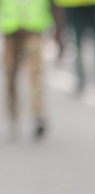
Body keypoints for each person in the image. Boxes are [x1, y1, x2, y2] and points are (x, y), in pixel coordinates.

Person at [3, 0, 57, 141]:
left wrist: (58, 29)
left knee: (36, 75)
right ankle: (12, 115)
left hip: (33, 31)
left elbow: (54, 4)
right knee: (10, 77)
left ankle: (37, 114)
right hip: (10, 31)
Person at [54, 0, 95, 96]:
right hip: (76, 5)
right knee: (80, 45)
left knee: (87, 45)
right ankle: (86, 82)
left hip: (81, 4)